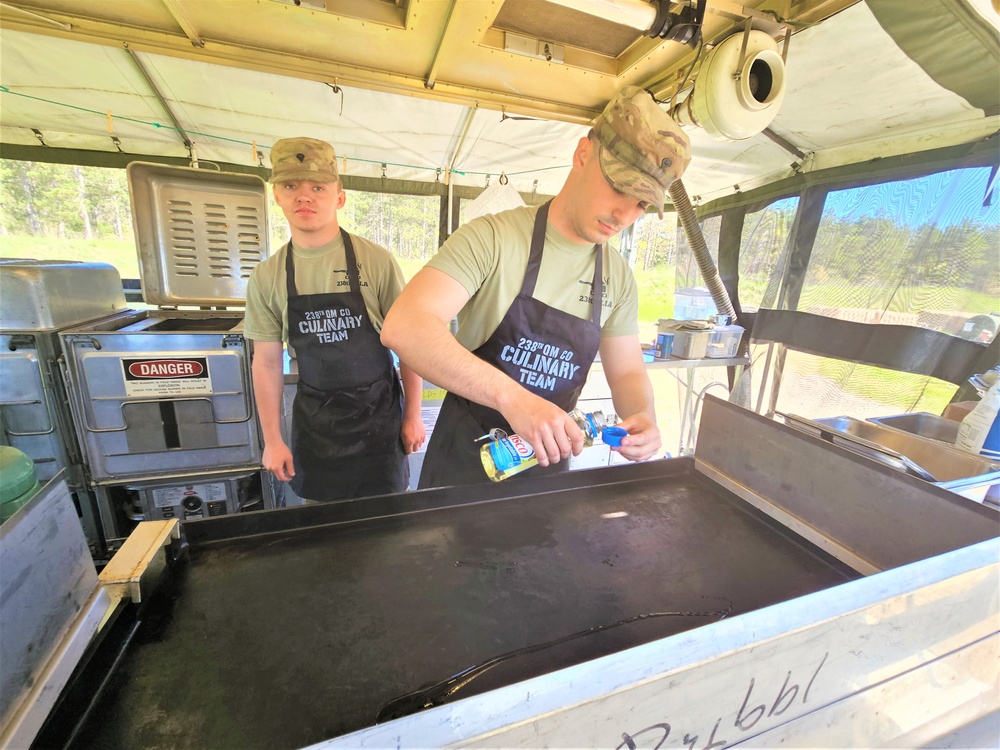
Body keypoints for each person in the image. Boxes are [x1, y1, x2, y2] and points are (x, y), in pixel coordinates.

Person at [381, 86, 690, 489]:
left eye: (642, 204)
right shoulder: (495, 238)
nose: (624, 215)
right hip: (465, 466)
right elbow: (405, 326)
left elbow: (628, 371)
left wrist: (643, 416)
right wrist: (514, 400)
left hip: (547, 477)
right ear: (583, 154)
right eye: (619, 187)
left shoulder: (617, 276)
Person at [244, 137, 424, 502]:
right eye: (290, 186)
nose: (304, 196)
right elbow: (264, 363)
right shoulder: (267, 275)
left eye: (317, 187)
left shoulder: (375, 261)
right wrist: (273, 439)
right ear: (276, 195)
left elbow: (410, 344)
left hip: (380, 422)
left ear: (339, 197)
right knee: (327, 537)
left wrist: (413, 416)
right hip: (317, 430)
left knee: (388, 529)